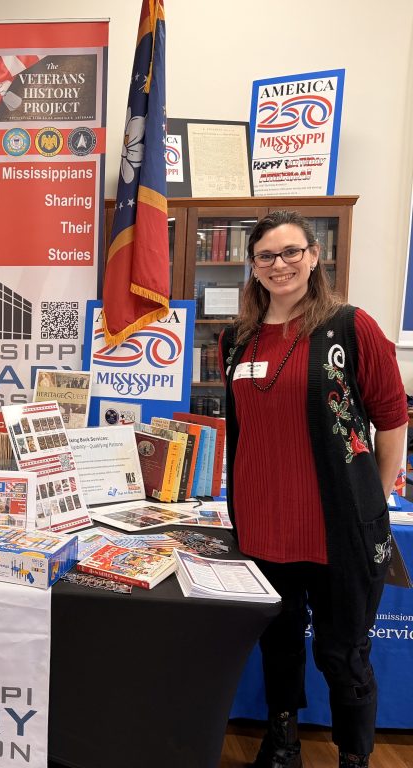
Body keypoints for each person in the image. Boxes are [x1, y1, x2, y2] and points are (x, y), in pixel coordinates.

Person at [219, 211, 406, 768]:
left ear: (314, 255)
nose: (280, 265)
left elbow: (392, 419)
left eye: (291, 252)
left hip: (335, 528)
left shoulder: (350, 327)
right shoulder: (237, 338)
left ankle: (354, 756)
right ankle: (282, 743)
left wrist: (372, 496)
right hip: (259, 523)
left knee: (343, 653)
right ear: (252, 267)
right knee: (276, 644)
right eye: (266, 257)